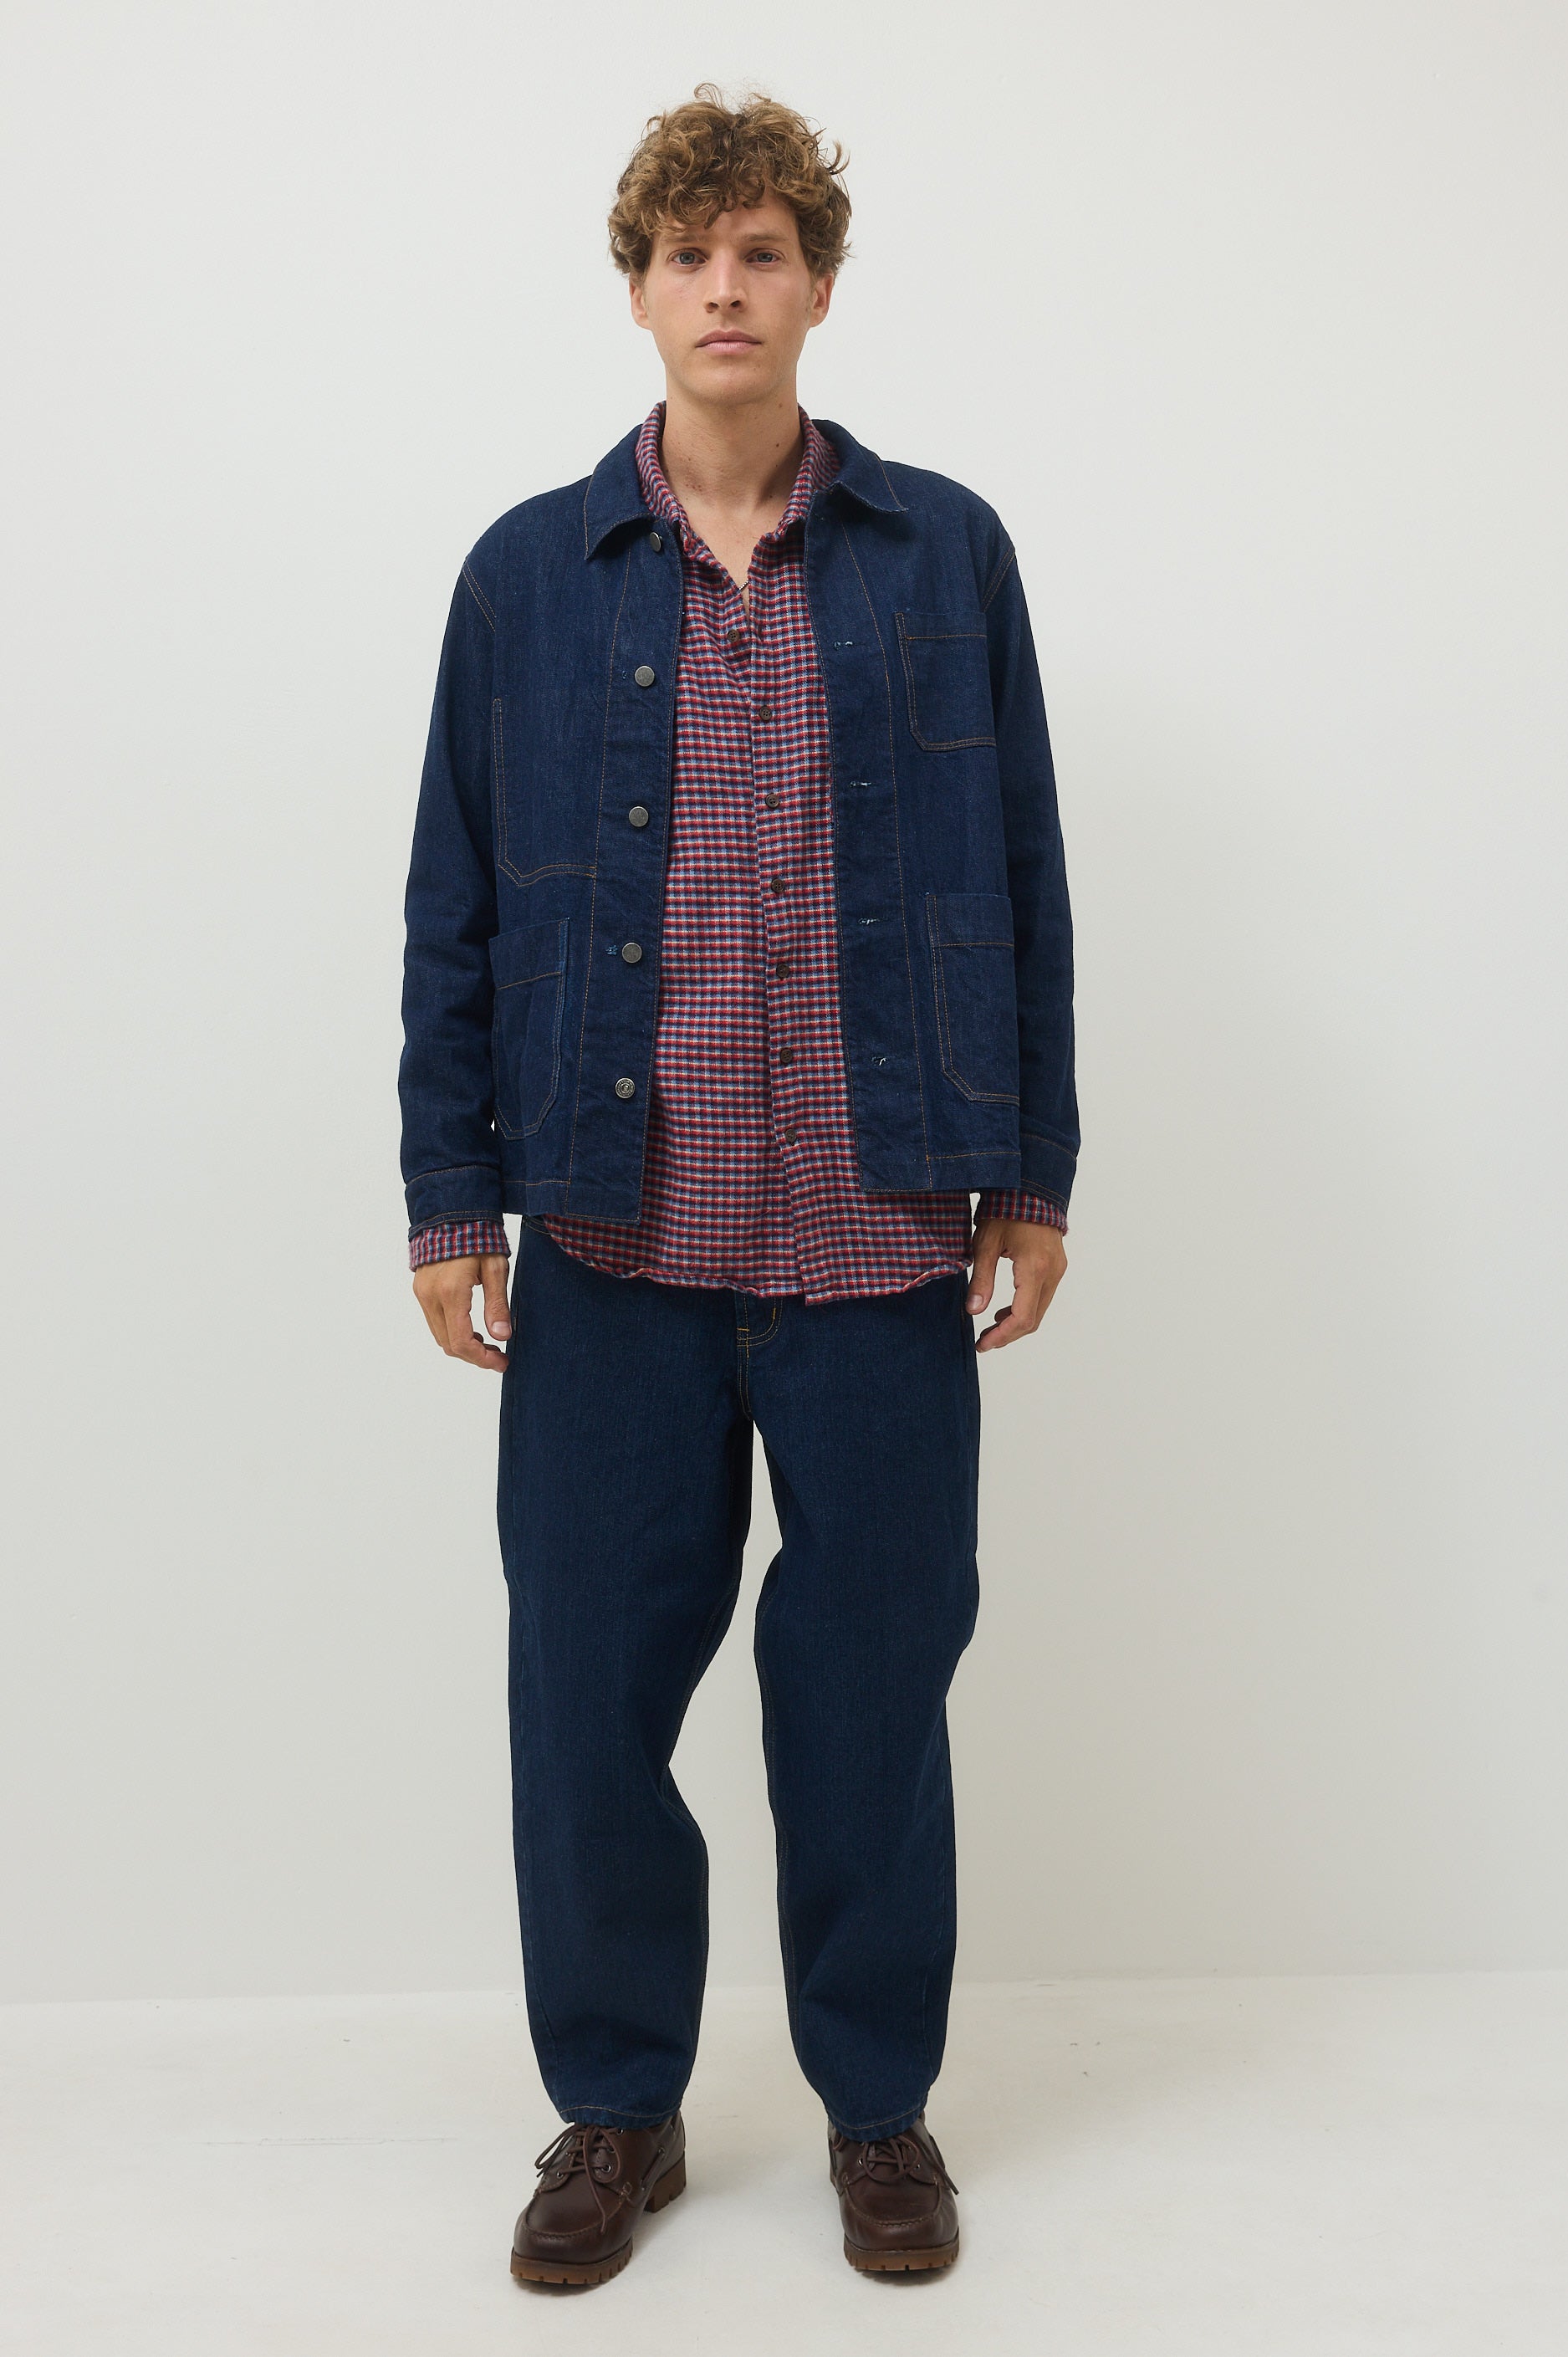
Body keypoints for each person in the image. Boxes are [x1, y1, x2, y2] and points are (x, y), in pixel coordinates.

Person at [398, 84, 1077, 2288]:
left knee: (871, 1695)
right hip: (614, 1236)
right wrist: (448, 1197)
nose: (725, 287)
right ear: (637, 289)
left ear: (818, 286)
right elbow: (454, 903)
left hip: (878, 1231)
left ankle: (879, 2111)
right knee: (588, 1694)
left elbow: (1021, 874)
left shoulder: (942, 554)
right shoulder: (529, 575)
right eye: (689, 253)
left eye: (763, 250)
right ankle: (618, 2105)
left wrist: (1030, 1167)